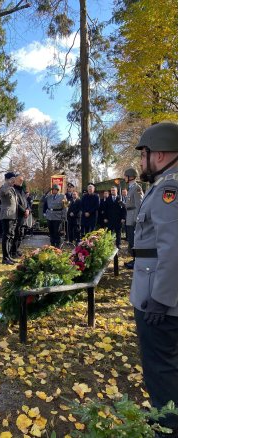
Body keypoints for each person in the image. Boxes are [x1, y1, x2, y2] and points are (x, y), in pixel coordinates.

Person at [128, 122, 178, 435]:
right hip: (159, 291)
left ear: (158, 154)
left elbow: (175, 248)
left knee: (161, 369)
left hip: (158, 299)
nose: (141, 162)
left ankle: (167, 425)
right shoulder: (164, 186)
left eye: (143, 154)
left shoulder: (169, 190)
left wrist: (161, 297)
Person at [123, 168, 144, 269]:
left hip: (133, 219)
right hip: (130, 218)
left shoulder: (136, 188)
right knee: (131, 240)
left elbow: (139, 205)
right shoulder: (131, 188)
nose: (124, 177)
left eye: (125, 176)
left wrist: (136, 220)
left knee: (135, 241)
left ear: (130, 177)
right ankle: (135, 259)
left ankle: (137, 261)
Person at [0, 172, 20, 265]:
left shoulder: (12, 188)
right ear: (7, 179)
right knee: (6, 236)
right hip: (7, 216)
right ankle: (5, 257)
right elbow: (3, 193)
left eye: (14, 179)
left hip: (13, 215)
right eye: (12, 179)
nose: (13, 181)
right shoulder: (4, 187)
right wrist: (8, 183)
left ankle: (8, 256)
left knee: (11, 236)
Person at [12, 178, 30, 257]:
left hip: (24, 216)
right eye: (20, 180)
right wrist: (24, 211)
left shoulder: (22, 190)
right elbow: (16, 203)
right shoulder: (13, 190)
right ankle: (13, 251)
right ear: (15, 180)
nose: (21, 181)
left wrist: (28, 209)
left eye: (22, 180)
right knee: (16, 233)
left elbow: (26, 202)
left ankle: (17, 249)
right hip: (17, 215)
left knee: (21, 234)